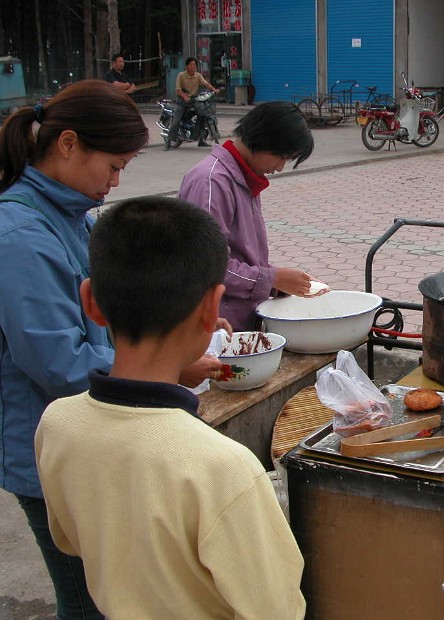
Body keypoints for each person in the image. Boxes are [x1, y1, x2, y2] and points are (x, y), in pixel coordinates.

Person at [0, 81, 224, 619]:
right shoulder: (20, 235)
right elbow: (58, 363)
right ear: (69, 144)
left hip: (98, 435)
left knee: (115, 591)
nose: (116, 182)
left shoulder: (74, 214)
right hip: (50, 449)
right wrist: (164, 367)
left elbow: (110, 321)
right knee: (88, 601)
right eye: (114, 166)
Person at [34, 197, 306, 619]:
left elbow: (70, 539)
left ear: (91, 302)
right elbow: (277, 608)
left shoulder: (55, 424)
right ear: (212, 308)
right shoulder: (222, 466)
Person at [179, 101, 316, 330]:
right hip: (214, 330)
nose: (280, 167)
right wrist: (273, 278)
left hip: (240, 319)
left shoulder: (243, 178)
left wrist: (278, 282)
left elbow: (241, 256)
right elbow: (209, 267)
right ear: (262, 139)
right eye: (281, 157)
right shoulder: (212, 182)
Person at [165, 56, 219, 149]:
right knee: (176, 120)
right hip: (182, 101)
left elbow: (206, 84)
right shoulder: (181, 75)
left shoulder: (198, 76)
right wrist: (184, 96)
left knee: (203, 114)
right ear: (187, 66)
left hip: (194, 100)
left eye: (194, 65)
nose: (193, 66)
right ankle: (169, 142)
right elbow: (178, 90)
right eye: (191, 64)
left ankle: (201, 139)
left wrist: (214, 90)